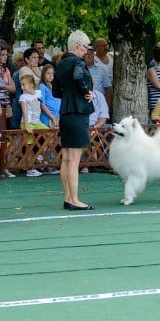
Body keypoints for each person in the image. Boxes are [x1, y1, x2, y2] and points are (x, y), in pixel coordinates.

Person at [53, 30, 94, 210]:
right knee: (75, 159)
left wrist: (69, 94)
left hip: (65, 113)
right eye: (86, 47)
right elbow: (78, 77)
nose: (87, 51)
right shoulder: (78, 62)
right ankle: (74, 199)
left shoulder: (60, 64)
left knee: (66, 158)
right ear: (78, 46)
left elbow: (55, 91)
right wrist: (86, 92)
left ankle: (68, 197)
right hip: (78, 112)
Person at [38, 63, 61, 128]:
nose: (51, 75)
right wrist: (52, 117)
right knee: (48, 137)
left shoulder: (53, 86)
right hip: (47, 118)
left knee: (55, 137)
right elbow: (42, 104)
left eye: (52, 73)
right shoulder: (42, 86)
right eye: (48, 73)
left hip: (56, 117)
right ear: (43, 74)